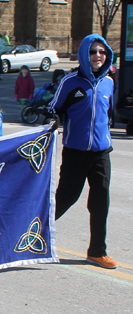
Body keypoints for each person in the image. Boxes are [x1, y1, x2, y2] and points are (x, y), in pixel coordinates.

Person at [48, 34, 118, 269]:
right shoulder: (70, 82)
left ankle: (97, 252)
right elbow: (54, 109)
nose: (98, 56)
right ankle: (31, 232)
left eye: (102, 52)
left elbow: (108, 114)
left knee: (100, 202)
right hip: (76, 152)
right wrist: (54, 121)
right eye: (93, 52)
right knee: (66, 197)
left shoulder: (109, 82)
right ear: (84, 55)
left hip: (101, 153)